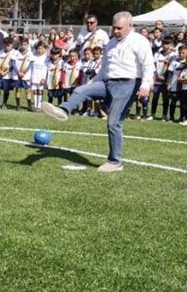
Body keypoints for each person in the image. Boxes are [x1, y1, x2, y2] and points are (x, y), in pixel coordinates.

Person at [42, 11, 154, 173]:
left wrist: (146, 84)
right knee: (81, 90)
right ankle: (64, 110)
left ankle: (115, 161)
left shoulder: (139, 41)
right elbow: (105, 67)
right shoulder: (111, 43)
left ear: (130, 26)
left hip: (128, 84)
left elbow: (148, 65)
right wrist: (94, 84)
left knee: (113, 122)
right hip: (108, 82)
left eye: (119, 28)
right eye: (114, 28)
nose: (115, 31)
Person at [148, 38, 175, 120]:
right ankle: (152, 114)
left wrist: (165, 77)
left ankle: (164, 115)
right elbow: (153, 65)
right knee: (155, 97)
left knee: (165, 97)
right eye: (163, 44)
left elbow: (171, 67)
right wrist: (156, 75)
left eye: (167, 44)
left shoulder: (173, 55)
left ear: (171, 45)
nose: (165, 46)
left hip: (165, 79)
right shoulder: (157, 54)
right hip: (157, 78)